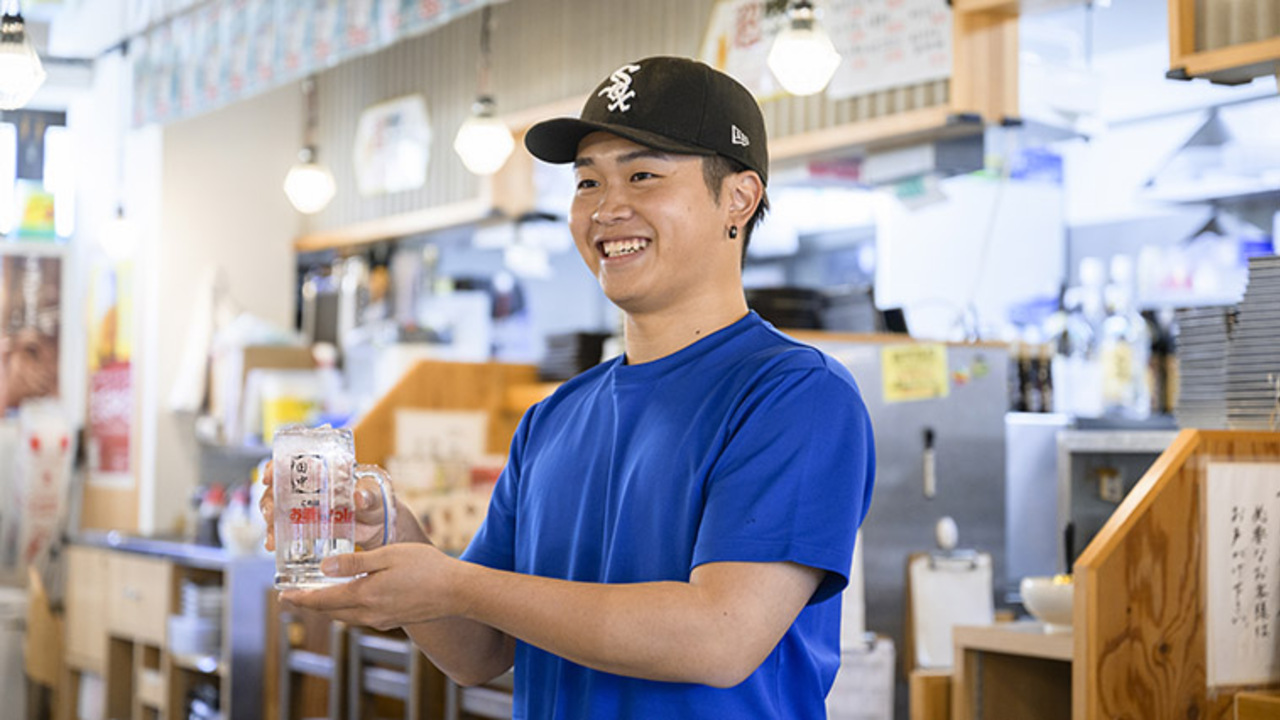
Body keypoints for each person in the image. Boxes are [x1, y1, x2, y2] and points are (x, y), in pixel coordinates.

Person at [264, 55, 875, 717]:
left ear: (739, 197)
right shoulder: (553, 419)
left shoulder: (795, 396)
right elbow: (479, 653)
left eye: (643, 175)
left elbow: (718, 635)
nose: (608, 208)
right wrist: (395, 541)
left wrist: (459, 583)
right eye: (587, 183)